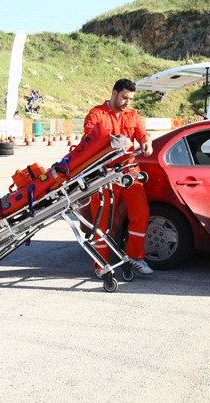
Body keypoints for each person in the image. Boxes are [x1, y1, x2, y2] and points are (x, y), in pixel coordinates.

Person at [83, 78, 154, 276]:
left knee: (141, 213)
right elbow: (90, 139)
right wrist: (114, 142)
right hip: (103, 174)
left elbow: (142, 133)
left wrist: (147, 141)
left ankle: (135, 257)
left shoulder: (133, 115)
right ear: (114, 94)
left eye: (130, 99)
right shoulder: (96, 114)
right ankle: (100, 264)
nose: (127, 102)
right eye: (124, 97)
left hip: (129, 172)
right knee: (101, 220)